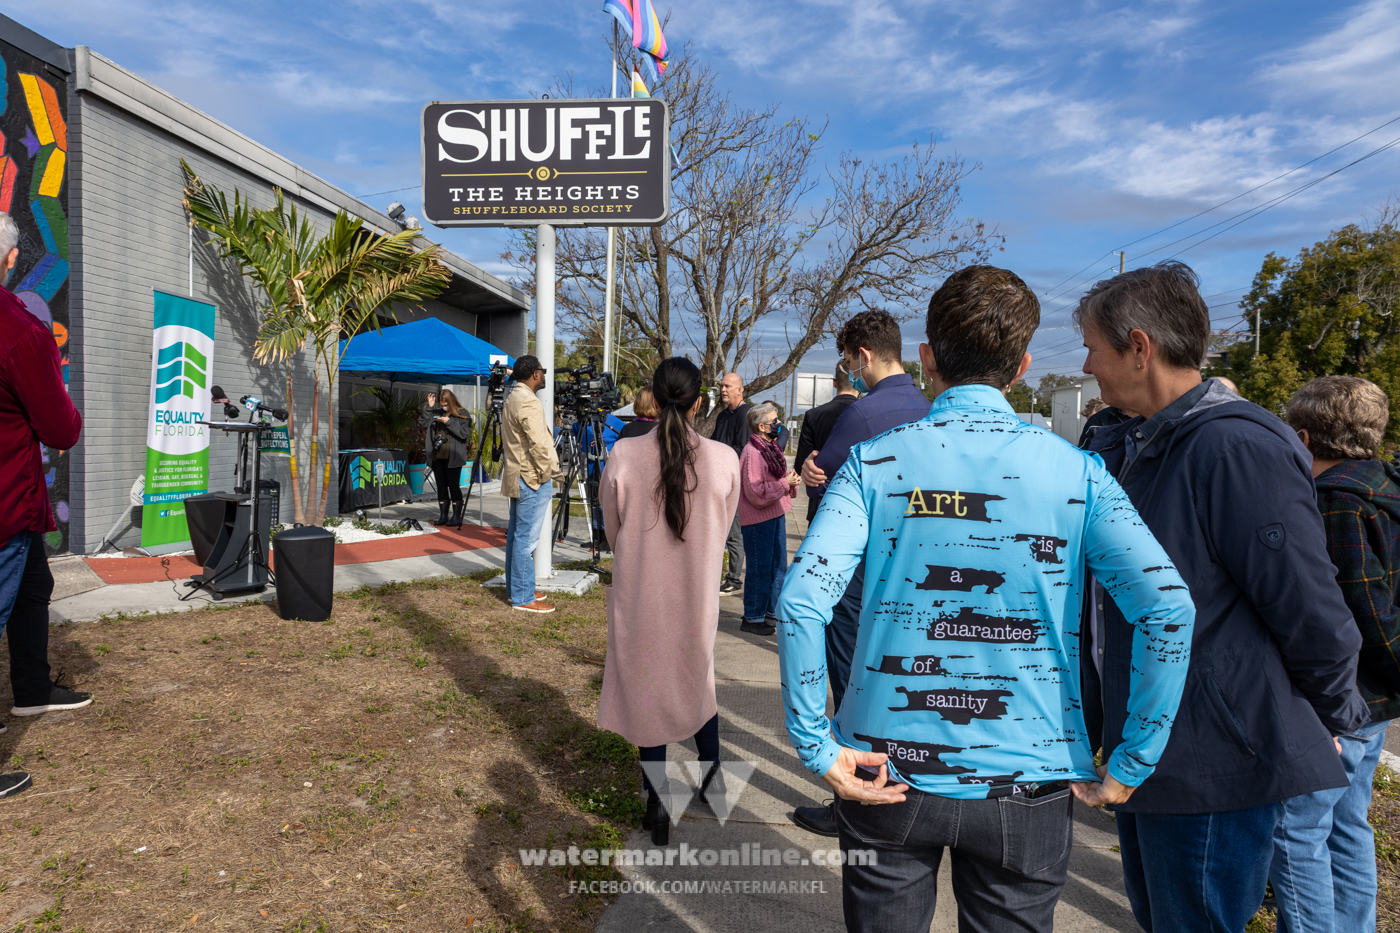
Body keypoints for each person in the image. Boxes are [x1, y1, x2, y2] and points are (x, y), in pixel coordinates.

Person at [775, 265, 1196, 933]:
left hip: (883, 766)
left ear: (927, 358)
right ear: (1022, 366)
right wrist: (1134, 757)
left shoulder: (873, 463)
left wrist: (815, 744)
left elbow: (802, 601)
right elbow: (1167, 607)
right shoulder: (1080, 473)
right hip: (1027, 777)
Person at [1077, 261, 1369, 933]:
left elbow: (1307, 603)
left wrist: (1336, 715)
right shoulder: (1143, 441)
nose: (1087, 364)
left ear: (1140, 347)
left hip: (1212, 754)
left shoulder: (1234, 446)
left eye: (1093, 347)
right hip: (1155, 745)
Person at [791, 308, 931, 837]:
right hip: (912, 568)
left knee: (850, 682)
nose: (849, 369)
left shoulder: (863, 414)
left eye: (850, 359)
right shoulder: (928, 407)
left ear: (864, 356)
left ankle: (856, 798)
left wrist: (811, 471)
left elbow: (825, 479)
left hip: (858, 570)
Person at [1270, 375, 1398, 933]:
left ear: (1301, 437)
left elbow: (1361, 608)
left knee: (1294, 829)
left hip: (1341, 699)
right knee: (1348, 823)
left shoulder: (1333, 502)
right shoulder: (1384, 487)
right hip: (1377, 699)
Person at [599, 357, 741, 845]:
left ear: (654, 402)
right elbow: (723, 527)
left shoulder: (624, 454)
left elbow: (613, 531)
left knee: (647, 689)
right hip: (695, 594)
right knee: (697, 680)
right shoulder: (724, 458)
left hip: (641, 591)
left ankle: (657, 805)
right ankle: (712, 778)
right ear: (699, 402)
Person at [0, 212, 87, 800]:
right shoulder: (19, 330)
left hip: (21, 504)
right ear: (10, 260)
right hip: (6, 498)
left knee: (34, 587)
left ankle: (31, 687)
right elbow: (61, 428)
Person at [500, 355, 561, 614]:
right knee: (526, 541)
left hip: (519, 475)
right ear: (535, 374)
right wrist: (549, 473)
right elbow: (537, 444)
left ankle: (518, 588)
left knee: (517, 538)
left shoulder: (513, 397)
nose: (544, 375)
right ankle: (523, 597)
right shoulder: (529, 401)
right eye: (542, 370)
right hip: (532, 478)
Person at [737, 402, 799, 636]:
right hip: (758, 520)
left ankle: (771, 611)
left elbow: (777, 478)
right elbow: (756, 492)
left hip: (775, 513)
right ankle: (753, 617)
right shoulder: (752, 452)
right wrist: (785, 483)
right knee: (760, 568)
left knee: (777, 566)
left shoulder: (770, 448)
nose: (779, 425)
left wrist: (790, 480)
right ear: (761, 426)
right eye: (774, 421)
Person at [794, 364, 859, 523]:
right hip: (857, 501)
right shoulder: (867, 413)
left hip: (821, 500)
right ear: (858, 382)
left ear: (834, 383)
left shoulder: (813, 415)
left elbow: (801, 464)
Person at [710, 373, 750, 595]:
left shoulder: (745, 415)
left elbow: (741, 450)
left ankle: (734, 580)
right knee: (716, 531)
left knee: (734, 533)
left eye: (728, 386)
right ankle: (713, 577)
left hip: (734, 483)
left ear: (740, 390)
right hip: (716, 481)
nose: (723, 389)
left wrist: (717, 454)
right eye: (722, 385)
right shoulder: (723, 415)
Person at [420, 389, 472, 528]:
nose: (444, 407)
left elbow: (464, 433)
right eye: (441, 404)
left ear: (451, 401)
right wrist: (429, 407)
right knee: (441, 486)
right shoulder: (437, 412)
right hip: (438, 455)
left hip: (454, 456)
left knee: (453, 486)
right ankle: (443, 515)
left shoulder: (462, 414)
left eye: (445, 404)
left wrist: (449, 422)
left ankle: (456, 516)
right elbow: (424, 423)